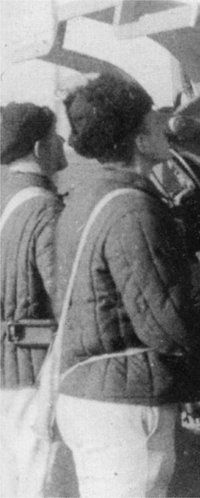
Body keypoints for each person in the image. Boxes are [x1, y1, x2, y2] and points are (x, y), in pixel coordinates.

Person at [54, 72, 200, 497]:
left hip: (91, 394)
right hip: (124, 408)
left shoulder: (89, 198)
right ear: (139, 139)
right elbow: (168, 323)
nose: (164, 125)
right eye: (153, 119)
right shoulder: (134, 210)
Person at [0, 102, 68, 497]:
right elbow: (68, 299)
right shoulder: (44, 209)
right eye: (56, 137)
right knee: (39, 484)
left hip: (6, 374)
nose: (63, 143)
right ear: (40, 148)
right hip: (34, 374)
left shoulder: (6, 200)